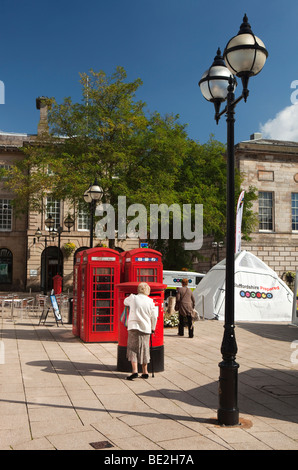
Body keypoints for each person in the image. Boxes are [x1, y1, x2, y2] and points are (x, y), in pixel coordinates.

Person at [124, 282, 158, 380]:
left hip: (133, 327)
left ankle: (134, 371)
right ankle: (145, 372)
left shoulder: (133, 298)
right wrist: (153, 328)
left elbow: (125, 302)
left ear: (138, 289)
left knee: (132, 348)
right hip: (146, 328)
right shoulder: (150, 301)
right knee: (145, 349)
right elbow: (154, 316)